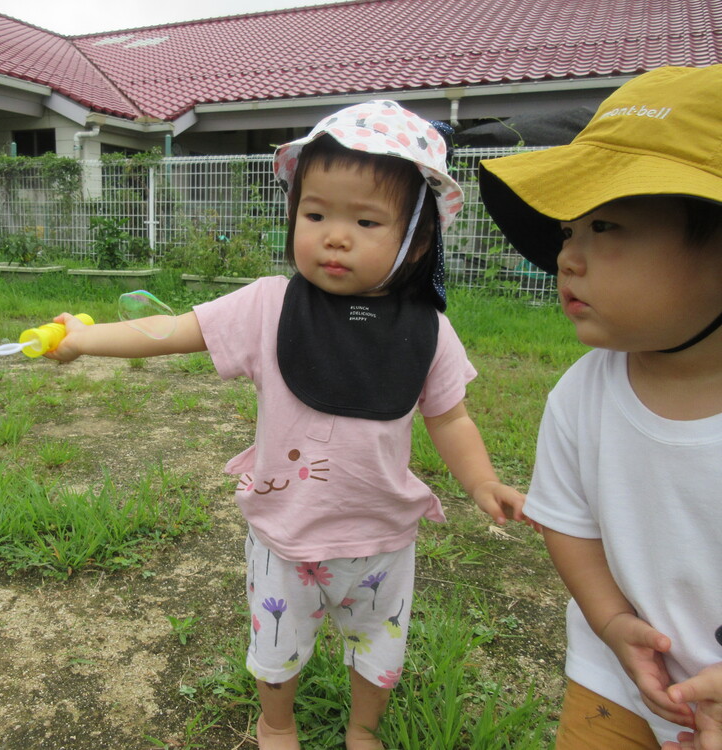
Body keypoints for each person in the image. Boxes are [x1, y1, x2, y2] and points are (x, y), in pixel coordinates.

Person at [47, 100, 531, 750]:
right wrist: (85, 339)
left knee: (379, 653)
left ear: (418, 239)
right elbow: (167, 331)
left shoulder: (428, 333)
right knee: (276, 651)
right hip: (287, 536)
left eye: (365, 219)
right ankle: (276, 721)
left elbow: (452, 418)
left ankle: (364, 728)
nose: (335, 235)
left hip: (383, 540)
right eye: (316, 214)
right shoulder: (268, 307)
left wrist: (482, 484)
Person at [477, 65, 722, 750]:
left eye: (606, 225)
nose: (568, 259)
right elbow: (571, 525)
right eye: (567, 231)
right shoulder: (583, 393)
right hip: (615, 682)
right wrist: (611, 623)